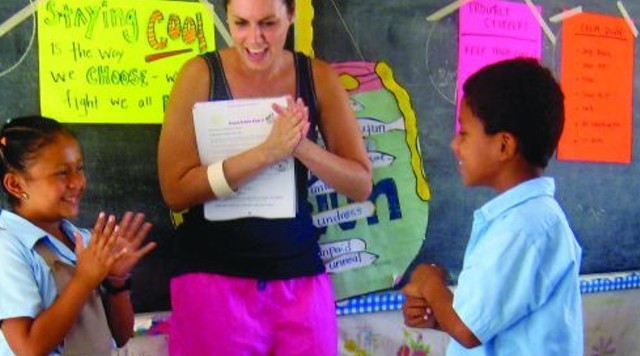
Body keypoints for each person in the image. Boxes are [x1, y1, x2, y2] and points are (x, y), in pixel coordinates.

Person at [157, 0, 372, 354]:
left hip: (298, 276)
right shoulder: (200, 74)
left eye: (268, 24)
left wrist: (300, 147)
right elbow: (175, 190)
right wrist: (266, 153)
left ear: (292, 15)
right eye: (241, 23)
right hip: (213, 277)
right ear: (226, 17)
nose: (254, 39)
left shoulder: (317, 77)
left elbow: (360, 184)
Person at [401, 58, 583, 355]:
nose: (454, 145)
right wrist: (437, 314)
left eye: (464, 133)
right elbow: (489, 322)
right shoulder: (525, 219)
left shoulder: (523, 227)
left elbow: (468, 331)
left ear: (503, 146)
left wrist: (430, 282)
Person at [0, 115, 156, 356]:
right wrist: (84, 279)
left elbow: (120, 335)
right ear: (15, 185)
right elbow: (29, 348)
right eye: (62, 173)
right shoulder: (8, 245)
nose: (78, 182)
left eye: (79, 168)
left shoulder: (82, 240)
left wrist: (117, 280)